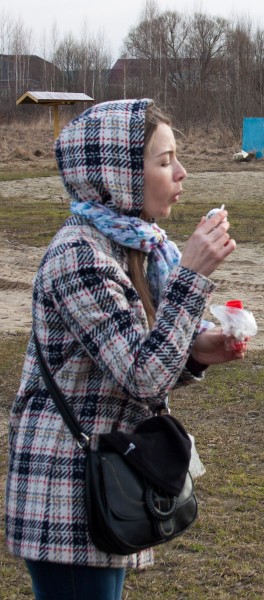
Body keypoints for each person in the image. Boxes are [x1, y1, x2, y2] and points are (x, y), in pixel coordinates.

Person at [4, 99, 245, 599]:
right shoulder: (79, 257)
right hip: (65, 486)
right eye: (163, 161)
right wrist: (192, 275)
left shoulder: (135, 247)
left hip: (104, 475)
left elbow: (137, 361)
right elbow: (142, 375)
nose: (181, 172)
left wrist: (198, 350)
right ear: (117, 175)